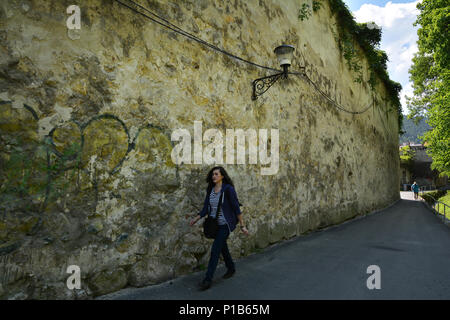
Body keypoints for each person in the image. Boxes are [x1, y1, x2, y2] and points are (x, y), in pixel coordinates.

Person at [189, 166, 249, 291]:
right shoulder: (210, 189)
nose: (213, 176)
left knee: (215, 250)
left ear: (222, 176)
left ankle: (207, 280)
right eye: (212, 174)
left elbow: (236, 208)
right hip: (214, 225)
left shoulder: (228, 190)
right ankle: (231, 267)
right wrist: (196, 218)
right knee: (222, 247)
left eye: (216, 174)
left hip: (225, 225)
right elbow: (206, 207)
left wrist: (242, 225)